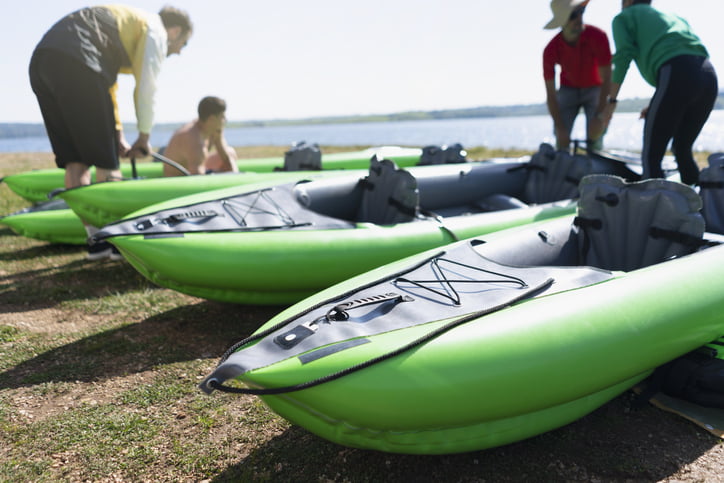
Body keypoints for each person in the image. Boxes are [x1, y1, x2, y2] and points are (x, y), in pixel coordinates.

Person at [29, 5, 193, 259]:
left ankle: (97, 242)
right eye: (183, 43)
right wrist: (144, 136)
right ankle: (117, 241)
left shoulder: (120, 30)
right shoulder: (155, 30)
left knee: (76, 162)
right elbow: (147, 87)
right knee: (108, 163)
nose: (180, 51)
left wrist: (116, 134)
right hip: (78, 61)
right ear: (174, 31)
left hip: (43, 62)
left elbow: (108, 87)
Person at [600, 0, 717, 186]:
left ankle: (653, 212)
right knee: (681, 148)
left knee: (651, 156)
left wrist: (611, 101)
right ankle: (699, 208)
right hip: (708, 76)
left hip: (677, 74)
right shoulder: (672, 16)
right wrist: (657, 104)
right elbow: (683, 62)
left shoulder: (624, 17)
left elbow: (623, 56)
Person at [543, 0, 612, 151]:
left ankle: (596, 158)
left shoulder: (598, 36)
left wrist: (599, 116)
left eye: (581, 12)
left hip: (595, 88)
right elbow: (551, 93)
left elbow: (607, 78)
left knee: (596, 134)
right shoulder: (550, 50)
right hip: (568, 90)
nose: (579, 17)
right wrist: (560, 128)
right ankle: (561, 159)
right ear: (562, 21)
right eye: (573, 15)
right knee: (561, 138)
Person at [162, 96, 239, 177]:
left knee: (230, 152)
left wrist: (218, 139)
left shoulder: (212, 129)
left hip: (196, 171)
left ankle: (237, 180)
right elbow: (197, 178)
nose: (225, 120)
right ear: (212, 119)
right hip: (179, 180)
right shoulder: (194, 139)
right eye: (222, 117)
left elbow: (227, 161)